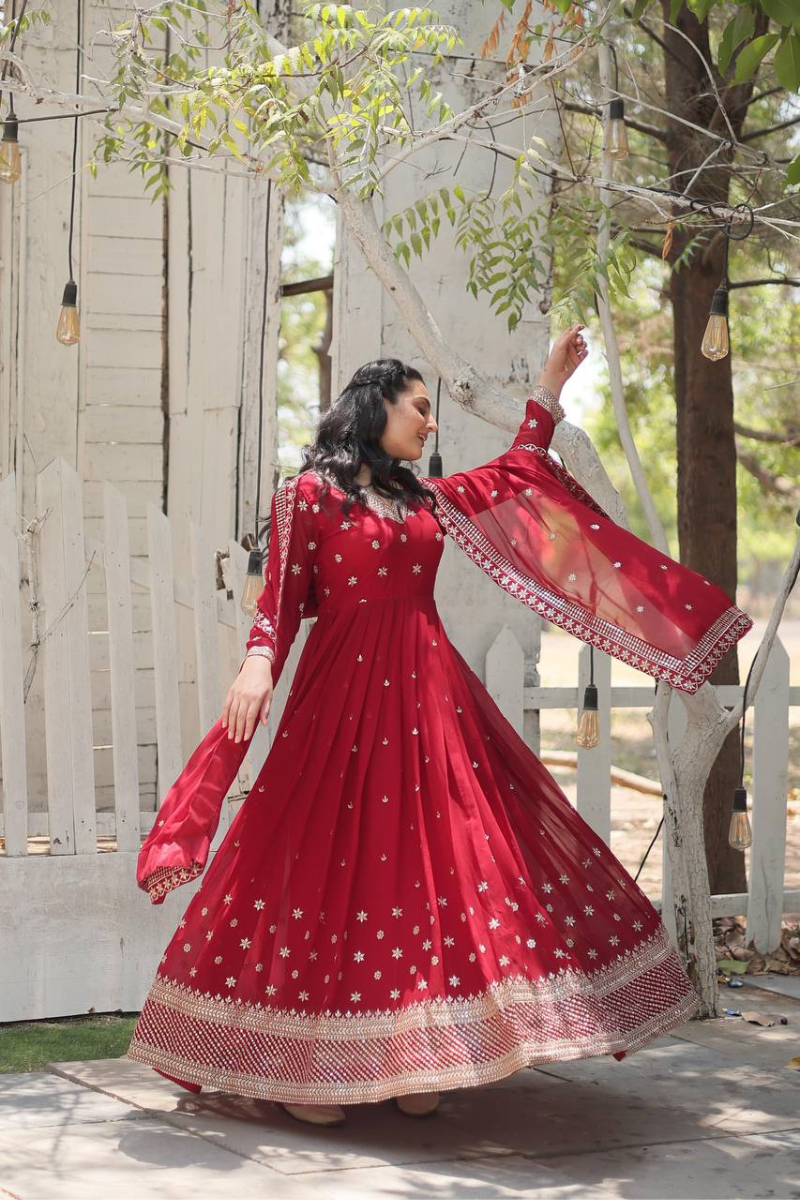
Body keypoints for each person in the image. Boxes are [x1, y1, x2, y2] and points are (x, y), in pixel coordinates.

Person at [127, 325, 753, 1127]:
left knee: (430, 873)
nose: (429, 424)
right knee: (322, 869)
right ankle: (294, 1065)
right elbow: (278, 610)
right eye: (418, 409)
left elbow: (516, 473)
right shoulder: (307, 497)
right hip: (339, 711)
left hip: (431, 710)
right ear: (374, 406)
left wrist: (551, 390)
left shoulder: (425, 498)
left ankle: (412, 1054)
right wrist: (256, 663)